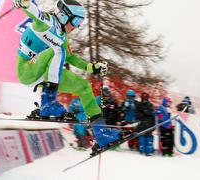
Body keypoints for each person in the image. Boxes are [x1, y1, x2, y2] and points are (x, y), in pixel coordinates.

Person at [13, 0, 123, 153]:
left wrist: (92, 67)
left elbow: (71, 58)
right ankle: (48, 103)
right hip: (28, 69)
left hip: (46, 70)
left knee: (83, 86)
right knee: (58, 51)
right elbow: (33, 11)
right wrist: (24, 3)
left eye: (80, 22)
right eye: (76, 21)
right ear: (64, 16)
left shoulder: (63, 37)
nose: (76, 26)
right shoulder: (48, 22)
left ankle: (102, 133)